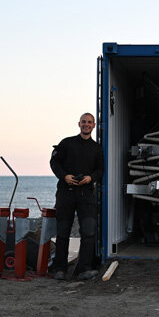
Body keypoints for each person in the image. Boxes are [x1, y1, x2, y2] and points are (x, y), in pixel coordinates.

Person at [49, 112, 104, 280]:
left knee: (88, 231)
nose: (86, 124)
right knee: (63, 232)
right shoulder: (67, 143)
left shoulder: (97, 148)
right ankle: (59, 269)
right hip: (66, 193)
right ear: (79, 124)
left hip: (86, 194)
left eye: (90, 122)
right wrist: (64, 176)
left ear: (94, 125)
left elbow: (100, 169)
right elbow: (54, 162)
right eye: (84, 122)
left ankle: (84, 269)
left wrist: (90, 178)